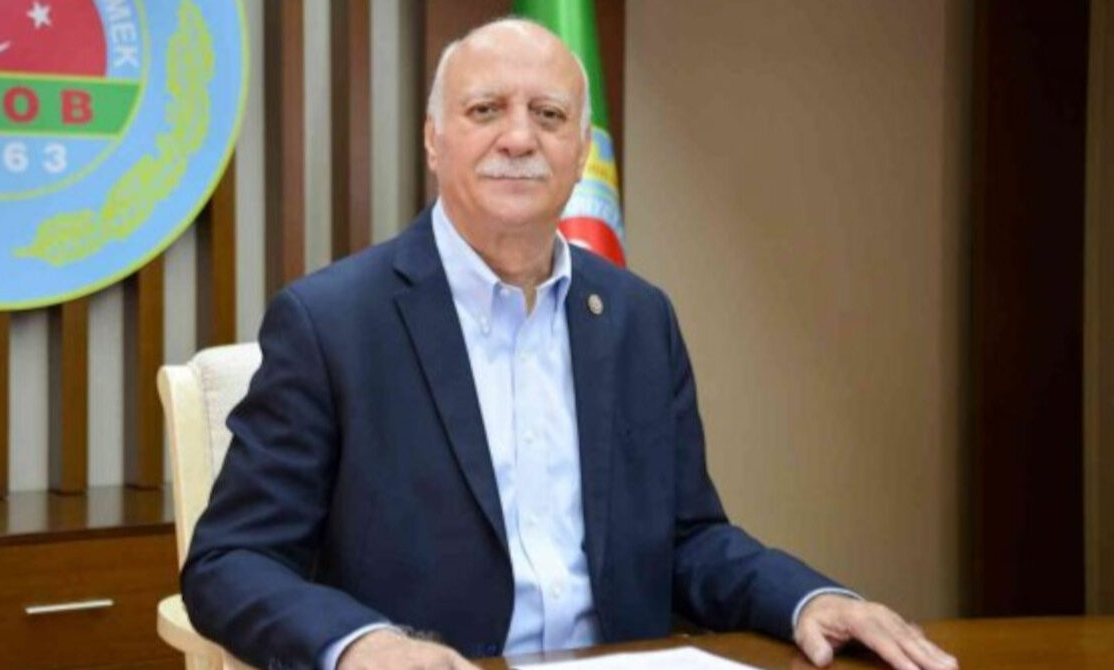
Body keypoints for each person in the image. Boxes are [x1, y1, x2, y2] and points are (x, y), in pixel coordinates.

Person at [182, 18, 959, 670]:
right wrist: (364, 645)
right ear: (433, 141)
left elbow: (687, 540)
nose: (519, 137)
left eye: (549, 115)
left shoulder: (637, 318)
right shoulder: (331, 323)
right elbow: (230, 560)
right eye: (486, 110)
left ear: (581, 149)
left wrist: (807, 598)